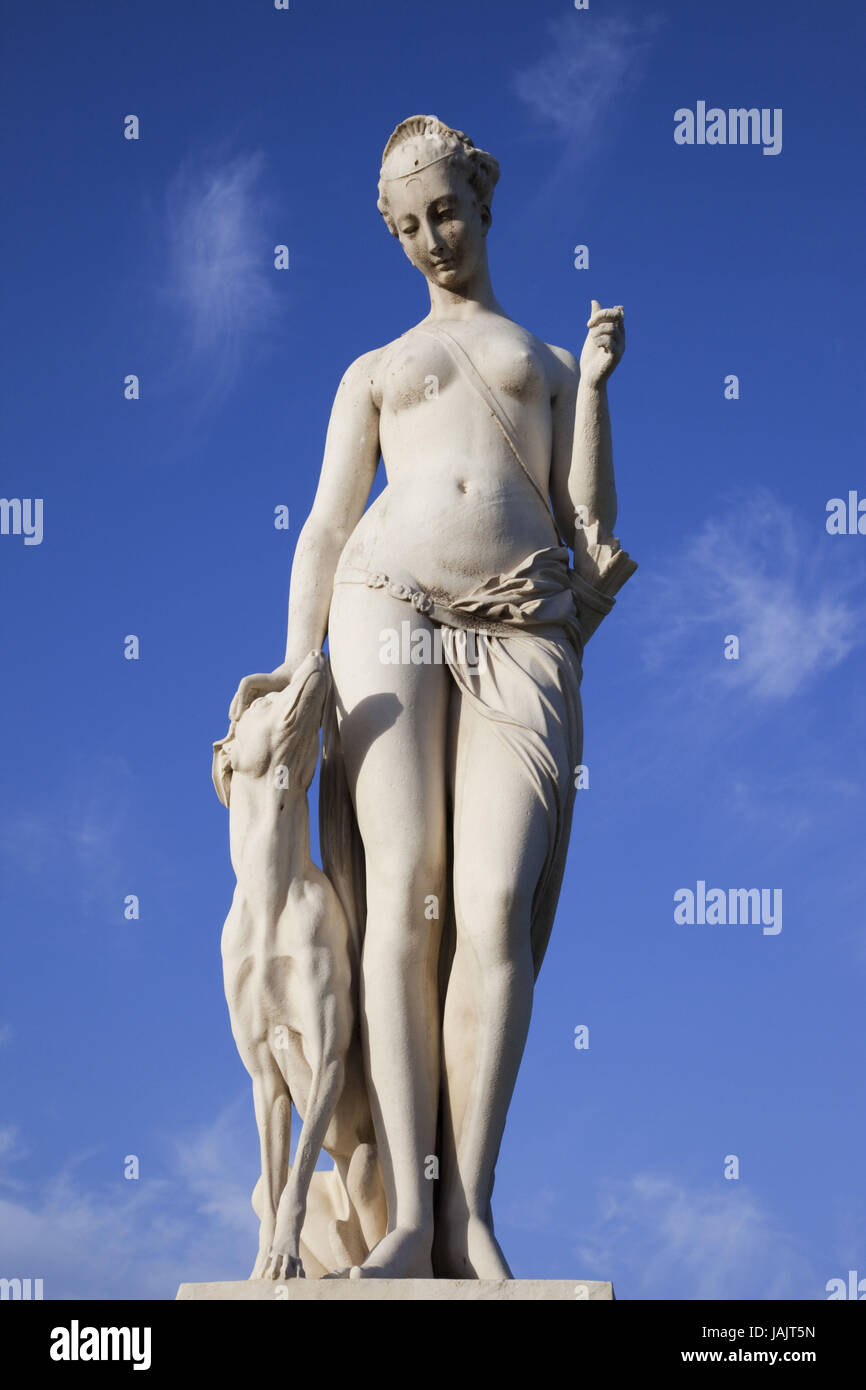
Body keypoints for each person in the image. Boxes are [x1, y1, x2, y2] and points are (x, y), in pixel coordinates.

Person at [228, 115, 632, 1278]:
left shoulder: (549, 364)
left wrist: (596, 388)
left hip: (521, 620)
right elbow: (322, 521)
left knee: (493, 901)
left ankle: (470, 1207)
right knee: (401, 889)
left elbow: (585, 522)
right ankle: (407, 1211)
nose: (429, 240)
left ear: (482, 199)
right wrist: (302, 652)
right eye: (406, 227)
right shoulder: (372, 368)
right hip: (385, 597)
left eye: (443, 212)